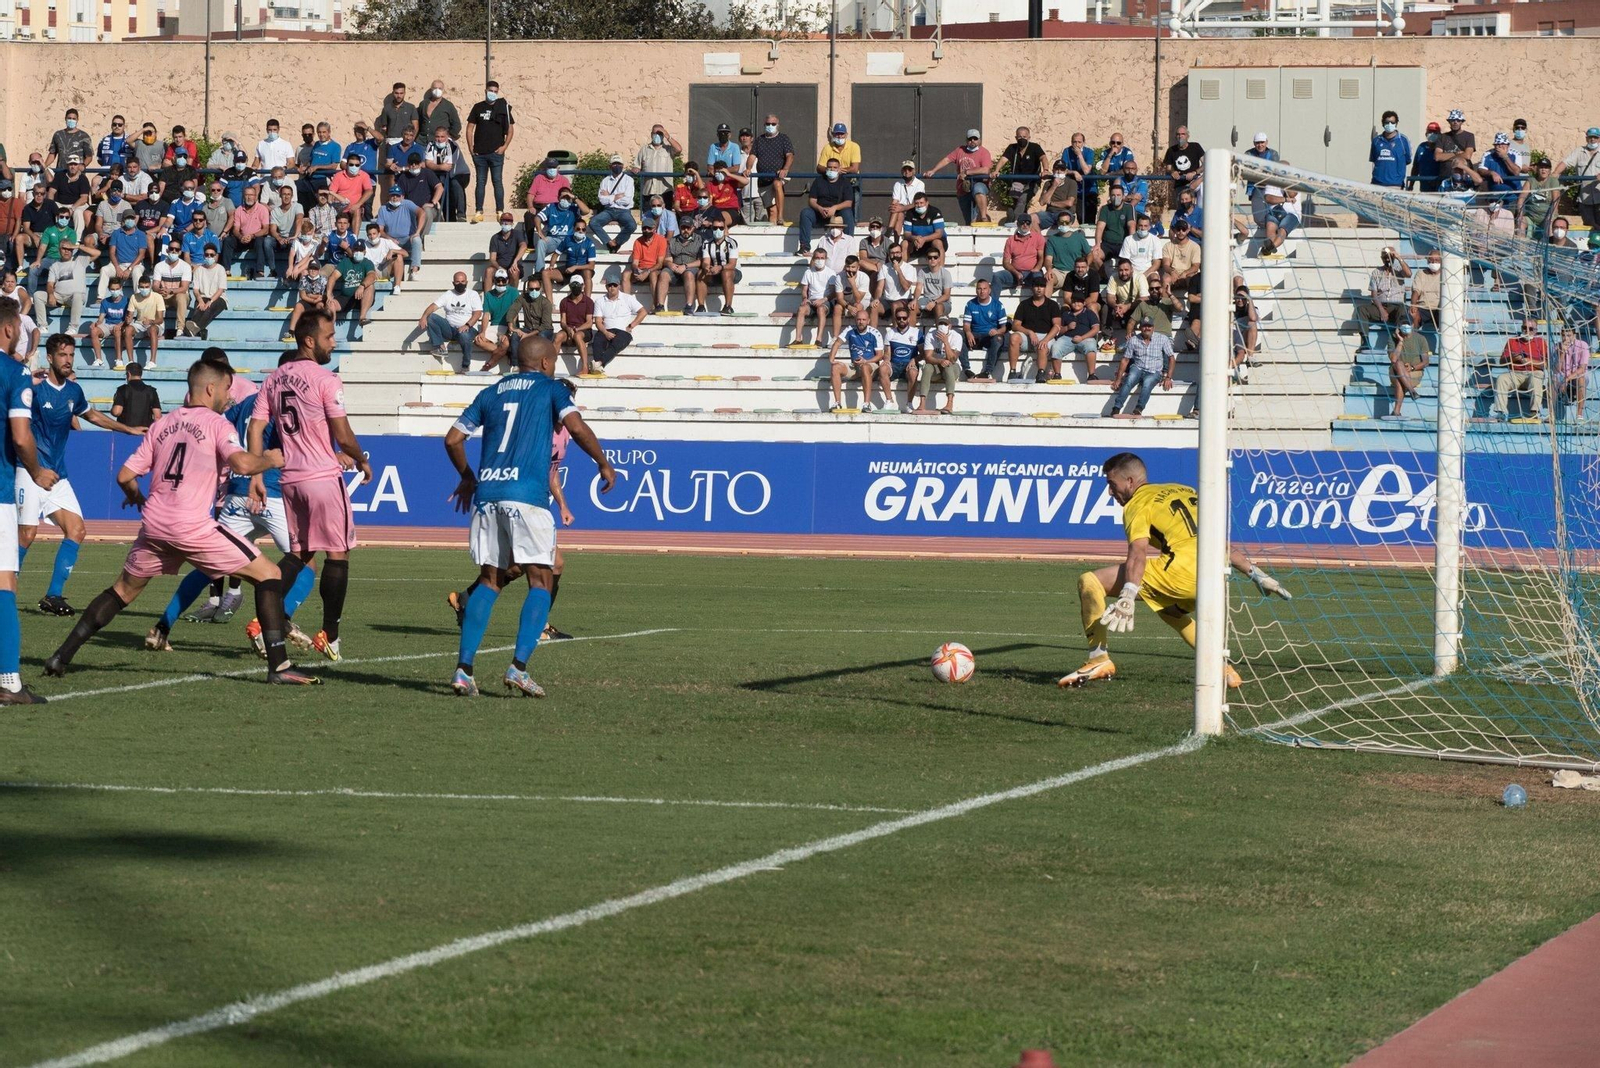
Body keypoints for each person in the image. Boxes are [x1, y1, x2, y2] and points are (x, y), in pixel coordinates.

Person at [41, 359, 316, 686]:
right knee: (270, 574)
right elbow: (242, 464)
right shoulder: (217, 424)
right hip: (192, 526)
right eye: (226, 388)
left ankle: (61, 656)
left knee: (121, 591)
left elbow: (125, 475)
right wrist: (268, 459)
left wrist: (137, 496)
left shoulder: (163, 425)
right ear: (211, 388)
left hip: (155, 525)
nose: (229, 396)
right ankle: (279, 667)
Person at [444, 335, 615, 696]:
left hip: (488, 495)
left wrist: (467, 478)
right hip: (527, 496)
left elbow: (453, 439)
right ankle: (518, 668)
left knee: (489, 581)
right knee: (541, 581)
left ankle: (463, 670)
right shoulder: (551, 390)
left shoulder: (491, 392)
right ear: (546, 363)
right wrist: (602, 462)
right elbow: (577, 427)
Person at [1057, 452, 1289, 689]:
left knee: (1090, 581)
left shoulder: (1138, 503)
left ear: (1129, 482)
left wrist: (1128, 594)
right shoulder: (1185, 491)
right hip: (1213, 578)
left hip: (1180, 575)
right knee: (1170, 612)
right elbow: (1217, 540)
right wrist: (1255, 573)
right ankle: (1224, 670)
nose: (1110, 492)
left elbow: (1138, 552)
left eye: (1112, 484)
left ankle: (1098, 660)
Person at [243, 311, 372, 664]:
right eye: (329, 337)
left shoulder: (274, 379)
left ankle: (263, 621)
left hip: (291, 481)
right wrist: (360, 458)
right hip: (322, 477)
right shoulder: (326, 379)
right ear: (309, 341)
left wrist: (256, 474)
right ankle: (330, 635)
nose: (334, 342)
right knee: (338, 553)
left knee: (299, 555)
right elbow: (342, 434)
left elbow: (256, 428)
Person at [17, 334, 145, 617]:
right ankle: (5, 592)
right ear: (50, 357)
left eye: (71, 355)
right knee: (26, 534)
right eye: (63, 355)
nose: (68, 360)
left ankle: (53, 596)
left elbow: (93, 416)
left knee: (77, 530)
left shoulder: (73, 391)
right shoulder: (35, 389)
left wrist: (128, 429)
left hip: (57, 476)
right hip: (30, 471)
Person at [0, 298, 49, 701]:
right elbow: (20, 435)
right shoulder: (15, 372)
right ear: (7, 329)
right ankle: (9, 681)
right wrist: (36, 471)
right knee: (5, 583)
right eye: (18, 327)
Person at [467, 81, 515, 222]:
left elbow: (510, 129)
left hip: (496, 153)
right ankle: (478, 212)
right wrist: (471, 148)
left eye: (495, 91)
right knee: (480, 182)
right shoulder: (478, 107)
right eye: (490, 90)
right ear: (485, 91)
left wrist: (504, 147)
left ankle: (500, 211)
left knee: (497, 181)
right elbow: (469, 128)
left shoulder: (503, 108)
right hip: (480, 153)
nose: (492, 93)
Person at [925, 130, 992, 225]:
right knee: (969, 221)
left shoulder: (984, 152)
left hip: (978, 184)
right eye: (970, 139)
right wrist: (933, 170)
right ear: (966, 140)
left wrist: (967, 172)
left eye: (975, 138)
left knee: (978, 190)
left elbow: (986, 170)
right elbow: (946, 160)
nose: (972, 141)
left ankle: (984, 217)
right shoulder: (960, 150)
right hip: (963, 189)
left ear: (979, 140)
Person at [827, 308, 887, 413]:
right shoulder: (850, 330)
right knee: (835, 367)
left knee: (864, 367)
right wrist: (831, 359)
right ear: (855, 320)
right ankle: (837, 403)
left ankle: (866, 404)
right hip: (855, 366)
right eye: (859, 319)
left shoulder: (875, 333)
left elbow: (880, 355)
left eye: (864, 320)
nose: (861, 322)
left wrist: (865, 361)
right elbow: (837, 343)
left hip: (871, 365)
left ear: (868, 321)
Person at [421, 271, 483, 368]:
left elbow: (477, 313)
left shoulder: (473, 294)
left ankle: (465, 365)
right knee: (431, 317)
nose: (460, 284)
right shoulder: (448, 294)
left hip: (468, 329)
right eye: (457, 282)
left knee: (464, 336)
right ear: (453, 283)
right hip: (450, 329)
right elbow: (433, 306)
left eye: (462, 281)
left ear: (467, 282)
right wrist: (423, 317)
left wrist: (467, 325)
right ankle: (441, 347)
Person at [1493, 318, 1549, 421]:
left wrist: (1527, 361)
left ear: (1536, 330)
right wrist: (1512, 358)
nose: (1527, 331)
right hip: (1515, 373)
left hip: (1534, 372)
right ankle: (1500, 412)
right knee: (1501, 378)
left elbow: (1545, 364)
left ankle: (1534, 412)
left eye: (1530, 329)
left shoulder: (1541, 342)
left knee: (1536, 378)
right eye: (1524, 327)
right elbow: (1502, 361)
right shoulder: (1512, 341)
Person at [796, 159, 853, 256]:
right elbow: (812, 200)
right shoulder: (818, 181)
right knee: (805, 213)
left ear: (839, 169)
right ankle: (804, 247)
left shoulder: (845, 182)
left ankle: (848, 245)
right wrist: (819, 208)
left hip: (837, 215)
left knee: (847, 213)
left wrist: (834, 208)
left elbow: (848, 202)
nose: (832, 169)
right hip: (819, 213)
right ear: (826, 168)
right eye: (830, 167)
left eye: (835, 167)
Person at [589, 277, 646, 372]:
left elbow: (643, 312)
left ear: (619, 286)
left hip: (622, 331)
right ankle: (598, 366)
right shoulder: (599, 301)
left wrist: (631, 326)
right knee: (598, 341)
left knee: (617, 343)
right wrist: (605, 332)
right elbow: (598, 321)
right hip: (606, 329)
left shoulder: (628, 298)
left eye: (614, 285)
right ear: (606, 287)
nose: (612, 287)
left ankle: (598, 364)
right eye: (609, 285)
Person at [1007, 287, 1060, 384]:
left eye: (1042, 286)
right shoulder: (1024, 304)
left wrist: (1046, 339)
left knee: (1042, 346)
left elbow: (1057, 326)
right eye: (1036, 286)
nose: (1039, 289)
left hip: (1046, 335)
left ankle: (1041, 373)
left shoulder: (1052, 304)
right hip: (1027, 336)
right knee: (1014, 337)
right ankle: (1012, 371)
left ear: (1045, 288)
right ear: (1032, 288)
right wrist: (1029, 332)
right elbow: (1015, 325)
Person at [994, 127, 1046, 224]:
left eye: (1024, 137)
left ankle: (1015, 222)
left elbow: (1043, 157)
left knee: (1022, 199)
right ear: (1016, 138)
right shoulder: (1012, 148)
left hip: (1032, 182)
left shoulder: (1035, 147)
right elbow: (1003, 159)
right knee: (1018, 202)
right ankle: (1023, 221)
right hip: (1017, 181)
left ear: (1029, 137)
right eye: (1020, 137)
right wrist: (996, 170)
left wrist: (1045, 170)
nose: (1022, 139)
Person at [915, 316, 963, 414]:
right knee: (927, 367)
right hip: (936, 367)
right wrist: (940, 361)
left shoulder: (957, 336)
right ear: (936, 325)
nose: (942, 326)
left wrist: (946, 342)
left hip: (952, 368)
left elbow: (953, 359)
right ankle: (922, 403)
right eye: (940, 323)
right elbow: (928, 357)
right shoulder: (930, 335)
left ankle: (949, 403)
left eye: (945, 324)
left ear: (950, 326)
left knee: (948, 366)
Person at [963, 277, 1008, 381]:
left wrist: (997, 331)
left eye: (984, 288)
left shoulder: (998, 305)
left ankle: (987, 372)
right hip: (975, 336)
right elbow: (966, 324)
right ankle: (966, 369)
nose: (982, 291)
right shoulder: (970, 304)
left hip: (990, 337)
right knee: (960, 337)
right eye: (979, 289)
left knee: (998, 339)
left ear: (989, 290)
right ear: (976, 290)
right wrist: (968, 332)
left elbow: (1004, 328)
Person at [752, 115, 795, 223]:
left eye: (773, 124)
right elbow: (752, 156)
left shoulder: (784, 138)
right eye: (768, 124)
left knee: (777, 184)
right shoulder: (759, 140)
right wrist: (748, 168)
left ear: (778, 125)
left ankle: (780, 216)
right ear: (764, 125)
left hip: (779, 176)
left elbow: (790, 155)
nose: (770, 126)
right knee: (771, 211)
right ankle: (774, 227)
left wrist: (785, 169)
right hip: (763, 180)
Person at [1049, 292, 1101, 384]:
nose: (1076, 304)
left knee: (1091, 347)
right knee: (1056, 347)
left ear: (1084, 303)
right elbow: (1058, 331)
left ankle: (1092, 374)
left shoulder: (1089, 313)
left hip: (1085, 338)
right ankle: (1057, 374)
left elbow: (1096, 329)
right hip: (1067, 338)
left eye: (1079, 301)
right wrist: (1067, 328)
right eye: (1074, 301)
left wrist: (1082, 338)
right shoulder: (1066, 314)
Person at [1385, 322, 1430, 421]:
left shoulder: (1420, 339)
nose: (1406, 327)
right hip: (1395, 371)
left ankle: (1396, 411)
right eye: (1403, 325)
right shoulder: (1392, 338)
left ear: (1413, 325)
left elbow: (1426, 362)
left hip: (1414, 371)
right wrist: (1400, 342)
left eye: (1408, 325)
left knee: (1399, 379)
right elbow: (1393, 359)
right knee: (1398, 363)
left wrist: (1412, 367)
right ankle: (1412, 391)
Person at [591, 155, 637, 253]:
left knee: (632, 225)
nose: (617, 166)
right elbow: (602, 200)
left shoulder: (629, 180)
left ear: (623, 166)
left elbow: (627, 200)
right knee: (593, 222)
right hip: (609, 210)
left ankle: (616, 242)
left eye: (619, 164)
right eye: (614, 164)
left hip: (624, 210)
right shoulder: (605, 181)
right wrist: (616, 196)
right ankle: (609, 242)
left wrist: (609, 196)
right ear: (610, 166)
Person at [994, 215, 1047, 297]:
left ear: (1031, 224)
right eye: (1022, 222)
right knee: (997, 276)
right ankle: (993, 303)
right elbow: (1006, 262)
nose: (1025, 225)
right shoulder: (1010, 240)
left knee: (1038, 279)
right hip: (1015, 273)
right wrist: (1016, 273)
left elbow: (1041, 258)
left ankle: (1040, 303)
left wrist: (1036, 269)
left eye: (1028, 223)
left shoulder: (1038, 238)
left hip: (1032, 273)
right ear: (1018, 224)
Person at [624, 218, 668, 312]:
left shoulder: (661, 240)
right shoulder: (638, 241)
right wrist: (636, 270)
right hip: (641, 269)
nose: (646, 230)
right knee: (625, 274)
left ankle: (656, 305)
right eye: (644, 228)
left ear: (654, 228)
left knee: (653, 274)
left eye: (649, 228)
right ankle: (626, 306)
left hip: (654, 269)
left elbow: (660, 264)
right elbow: (635, 262)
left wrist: (647, 271)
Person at [793, 249, 835, 347]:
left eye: (822, 258)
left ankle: (818, 339)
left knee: (821, 309)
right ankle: (798, 339)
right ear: (813, 258)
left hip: (825, 301)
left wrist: (823, 300)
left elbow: (834, 293)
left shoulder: (831, 273)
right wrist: (805, 298)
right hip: (811, 301)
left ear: (826, 259)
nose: (819, 260)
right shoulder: (808, 272)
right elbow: (804, 290)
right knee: (801, 309)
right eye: (817, 258)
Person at [828, 255, 877, 339]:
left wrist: (852, 283)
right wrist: (848, 307)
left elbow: (858, 299)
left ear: (858, 267)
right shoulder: (839, 277)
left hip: (863, 301)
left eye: (853, 267)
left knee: (858, 306)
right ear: (845, 266)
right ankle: (835, 338)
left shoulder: (864, 277)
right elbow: (839, 298)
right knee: (837, 308)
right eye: (848, 267)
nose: (850, 270)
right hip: (847, 303)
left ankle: (861, 336)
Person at [1093, 181, 1136, 273]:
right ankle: (1105, 277)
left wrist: (1131, 244)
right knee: (1094, 255)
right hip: (1107, 244)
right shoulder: (1105, 209)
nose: (1116, 197)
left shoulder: (1129, 208)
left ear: (1123, 196)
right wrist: (1097, 244)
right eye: (1113, 195)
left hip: (1123, 244)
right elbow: (1100, 227)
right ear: (1110, 196)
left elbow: (1131, 226)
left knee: (1129, 261)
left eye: (1118, 195)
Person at [1361, 246, 1410, 327]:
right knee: (1361, 310)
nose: (1387, 259)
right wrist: (1381, 310)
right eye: (1385, 257)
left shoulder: (1399, 270)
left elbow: (1408, 274)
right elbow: (1374, 294)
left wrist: (1399, 258)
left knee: (1403, 310)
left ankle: (1398, 334)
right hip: (1381, 305)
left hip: (1396, 307)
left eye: (1389, 257)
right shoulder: (1376, 272)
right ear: (1382, 258)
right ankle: (1364, 334)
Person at [1562, 127, 1600, 227]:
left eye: (1595, 137)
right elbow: (1566, 163)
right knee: (1588, 227)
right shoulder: (1579, 151)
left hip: (1599, 198)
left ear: (1599, 139)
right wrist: (1555, 173)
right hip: (1584, 200)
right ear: (1586, 138)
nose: (1592, 139)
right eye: (1590, 137)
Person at [555, 279, 595, 372]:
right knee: (558, 337)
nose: (576, 288)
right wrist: (568, 329)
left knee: (577, 336)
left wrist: (576, 329)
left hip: (583, 329)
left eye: (578, 285)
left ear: (583, 286)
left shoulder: (588, 301)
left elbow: (589, 323)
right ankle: (551, 365)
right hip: (569, 329)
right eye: (574, 286)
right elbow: (563, 321)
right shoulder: (564, 301)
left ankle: (585, 366)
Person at [699, 226, 739, 315]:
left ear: (724, 229)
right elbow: (706, 261)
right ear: (711, 229)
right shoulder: (706, 243)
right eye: (715, 228)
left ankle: (728, 306)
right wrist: (706, 267)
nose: (718, 230)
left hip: (732, 271)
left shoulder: (731, 243)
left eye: (721, 228)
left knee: (726, 273)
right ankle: (701, 306)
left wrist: (720, 267)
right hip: (715, 271)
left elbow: (732, 264)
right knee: (700, 273)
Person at [110, 361, 161, 427]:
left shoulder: (122, 389)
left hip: (125, 430)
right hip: (145, 431)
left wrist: (112, 410)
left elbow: (116, 412)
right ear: (141, 374)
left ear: (129, 374)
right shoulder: (151, 391)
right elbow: (157, 416)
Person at [1556, 326, 1590, 420]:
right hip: (1562, 375)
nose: (1566, 338)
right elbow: (1557, 369)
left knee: (1581, 378)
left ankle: (1579, 413)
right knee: (1553, 379)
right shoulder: (1556, 346)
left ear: (1574, 335)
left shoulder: (1583, 345)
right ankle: (1552, 413)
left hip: (1576, 375)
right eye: (1563, 335)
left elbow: (1582, 369)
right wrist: (1562, 352)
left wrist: (1567, 379)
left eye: (1569, 335)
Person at [1370, 111, 1411, 189]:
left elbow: (1408, 160)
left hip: (1395, 185)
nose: (1389, 124)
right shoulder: (1376, 141)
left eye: (1392, 122)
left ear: (1396, 123)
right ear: (1383, 123)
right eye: (1387, 122)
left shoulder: (1403, 140)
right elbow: (1374, 159)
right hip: (1376, 184)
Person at [1162, 126, 1205, 191]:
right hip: (1180, 186)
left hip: (1195, 185)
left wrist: (1194, 172)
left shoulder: (1195, 147)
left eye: (1183, 134)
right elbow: (1168, 169)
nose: (1180, 136)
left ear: (1187, 136)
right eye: (1178, 134)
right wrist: (1173, 172)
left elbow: (1206, 164)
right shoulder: (1171, 150)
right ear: (1175, 137)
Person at [889, 161, 924, 235]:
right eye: (905, 169)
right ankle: (891, 232)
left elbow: (917, 203)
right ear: (902, 171)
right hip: (901, 210)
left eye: (909, 169)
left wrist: (902, 208)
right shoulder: (898, 184)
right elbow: (895, 201)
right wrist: (895, 207)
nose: (907, 171)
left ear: (914, 171)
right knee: (897, 211)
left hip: (915, 210)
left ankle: (889, 231)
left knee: (898, 211)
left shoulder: (920, 184)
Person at [1411, 250, 1442, 329]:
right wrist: (1413, 305)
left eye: (1437, 260)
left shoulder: (1445, 275)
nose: (1434, 262)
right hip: (1423, 308)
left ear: (1441, 261)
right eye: (1431, 260)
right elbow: (1416, 291)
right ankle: (1414, 335)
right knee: (1413, 315)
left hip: (1439, 308)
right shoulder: (1421, 274)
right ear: (1427, 261)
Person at [1410, 122, 1444, 192]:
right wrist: (1411, 185)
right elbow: (1415, 168)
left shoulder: (1442, 148)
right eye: (1430, 132)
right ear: (1426, 134)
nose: (1432, 134)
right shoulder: (1421, 147)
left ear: (1439, 134)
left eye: (1435, 132)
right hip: (1424, 187)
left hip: (1438, 188)